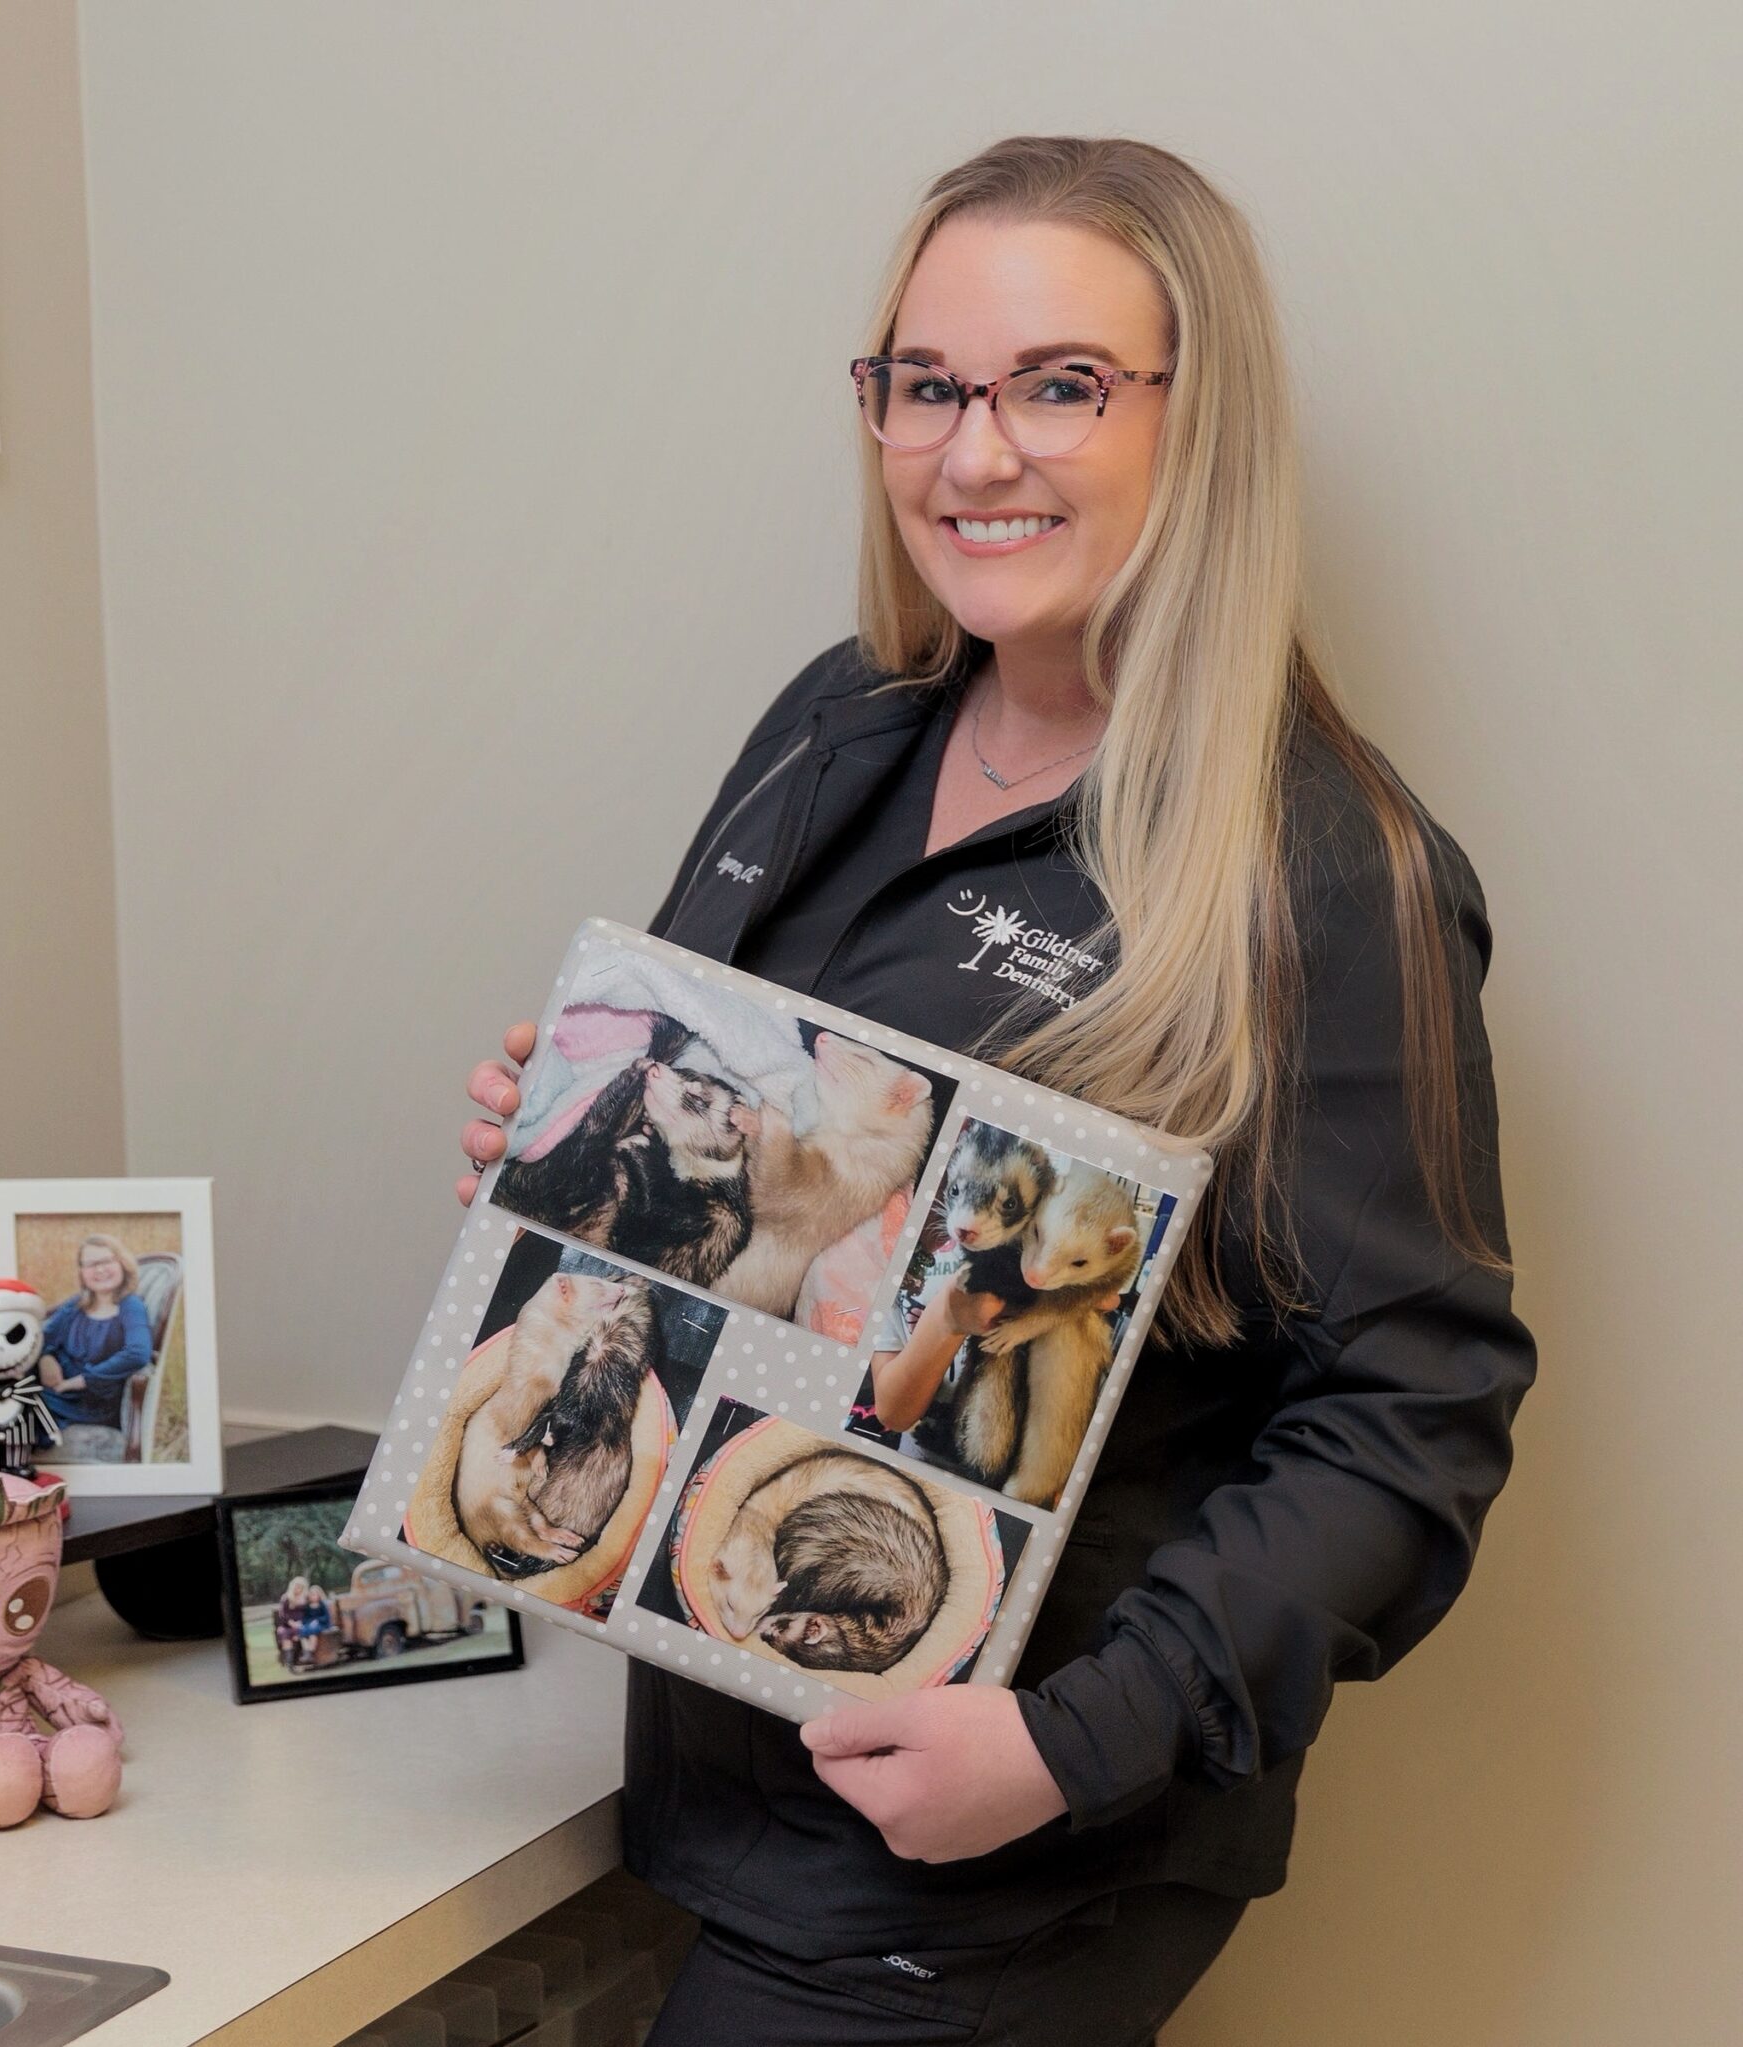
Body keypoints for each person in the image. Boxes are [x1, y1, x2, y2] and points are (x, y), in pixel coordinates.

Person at [454, 135, 1534, 2044]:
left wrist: (1066, 1746)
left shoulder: (1325, 876)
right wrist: (572, 1160)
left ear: (1201, 423)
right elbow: (776, 1210)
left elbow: (1412, 1415)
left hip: (994, 1874)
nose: (975, 453)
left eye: (1060, 386)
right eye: (928, 384)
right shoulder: (838, 723)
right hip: (726, 1757)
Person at [36, 1233, 157, 1461]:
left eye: (106, 1261)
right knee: (11, 1392)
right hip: (58, 1391)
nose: (100, 1270)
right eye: (91, 1264)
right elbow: (42, 1338)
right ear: (82, 1272)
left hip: (92, 1401)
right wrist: (46, 1358)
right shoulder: (77, 1305)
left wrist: (82, 1380)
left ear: (122, 1263)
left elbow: (138, 1353)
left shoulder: (130, 1306)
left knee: (21, 1401)